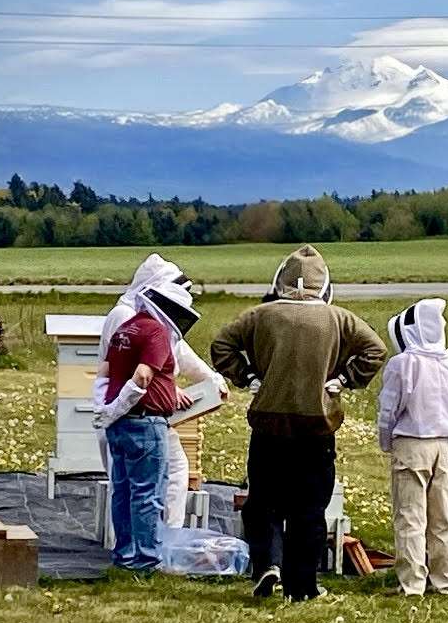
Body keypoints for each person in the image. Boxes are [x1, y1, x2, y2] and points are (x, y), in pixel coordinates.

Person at [211, 245, 386, 601]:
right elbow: (375, 350)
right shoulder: (340, 319)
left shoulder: (259, 315)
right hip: (316, 427)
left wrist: (247, 378)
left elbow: (221, 345)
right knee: (309, 508)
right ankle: (302, 585)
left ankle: (267, 566)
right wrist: (344, 380)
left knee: (263, 502)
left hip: (268, 424)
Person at [97, 253, 228, 528]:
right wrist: (169, 388)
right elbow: (132, 367)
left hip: (135, 413)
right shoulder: (127, 316)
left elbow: (177, 351)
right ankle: (153, 546)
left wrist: (212, 378)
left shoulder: (151, 320)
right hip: (134, 414)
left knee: (155, 479)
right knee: (141, 484)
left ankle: (141, 546)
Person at [93, 280, 201, 572]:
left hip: (120, 426)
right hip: (145, 424)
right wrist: (120, 406)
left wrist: (106, 409)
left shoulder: (125, 328)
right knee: (147, 494)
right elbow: (142, 377)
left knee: (123, 490)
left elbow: (104, 371)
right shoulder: (156, 331)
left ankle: (124, 554)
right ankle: (145, 560)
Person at [378, 298, 448, 597]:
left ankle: (412, 584)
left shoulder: (404, 364)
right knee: (441, 520)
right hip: (443, 445)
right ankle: (445, 581)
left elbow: (389, 409)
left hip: (412, 444)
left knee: (411, 518)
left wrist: (386, 440)